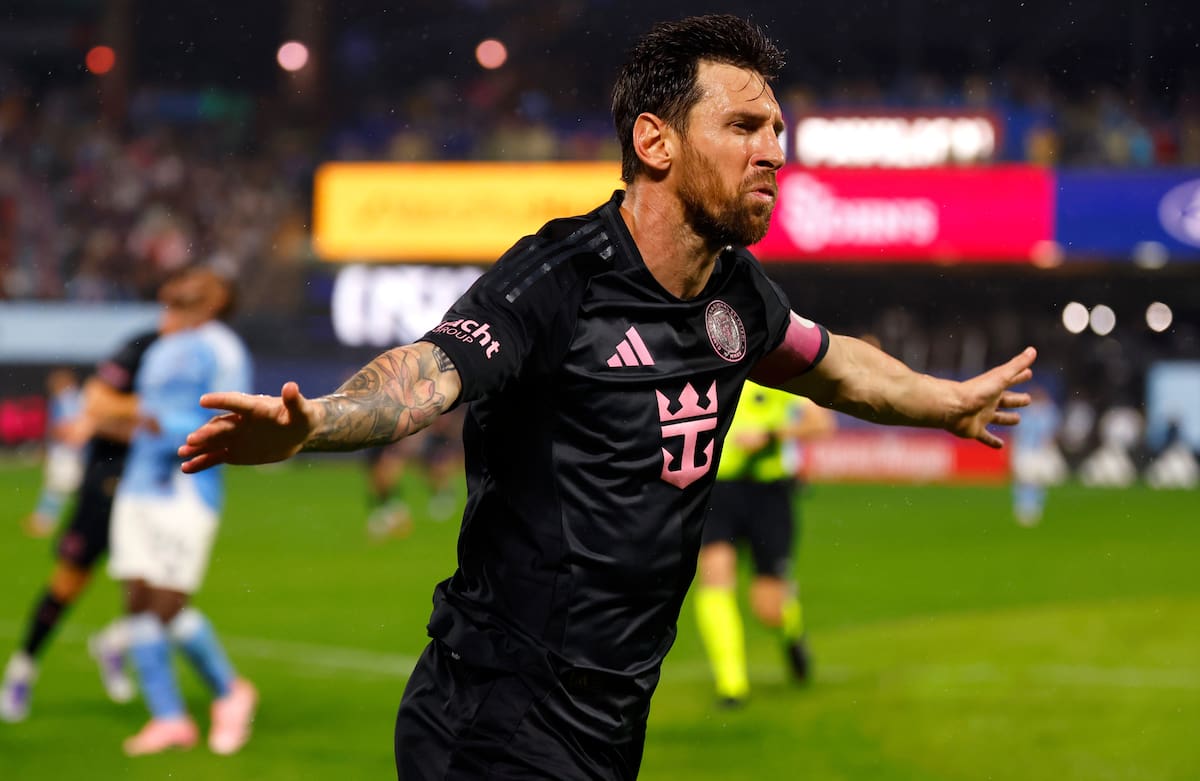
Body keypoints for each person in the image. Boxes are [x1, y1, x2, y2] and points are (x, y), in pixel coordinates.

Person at [178, 15, 1036, 779]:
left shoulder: (737, 294)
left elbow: (837, 363)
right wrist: (317, 422)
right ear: (656, 142)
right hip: (494, 714)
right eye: (743, 125)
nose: (774, 147)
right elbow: (428, 373)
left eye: (777, 126)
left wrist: (947, 402)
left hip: (611, 717)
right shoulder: (558, 278)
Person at [108, 267, 258, 756]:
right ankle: (170, 719)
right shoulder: (160, 345)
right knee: (138, 604)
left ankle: (230, 692)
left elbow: (232, 419)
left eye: (208, 282)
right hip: (137, 487)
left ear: (219, 300)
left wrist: (153, 421)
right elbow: (137, 414)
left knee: (165, 605)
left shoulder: (222, 348)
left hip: (186, 487)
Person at [1, 333, 157, 723]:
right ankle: (22, 669)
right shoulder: (145, 344)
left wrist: (122, 420)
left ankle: (114, 644)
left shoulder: (205, 353)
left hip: (156, 493)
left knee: (154, 590)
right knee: (67, 583)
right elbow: (98, 400)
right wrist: (146, 415)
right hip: (104, 489)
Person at [695, 381, 835, 707]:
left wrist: (770, 435)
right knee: (714, 577)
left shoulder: (779, 371)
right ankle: (732, 686)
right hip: (718, 490)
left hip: (767, 495)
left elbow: (822, 424)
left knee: (768, 608)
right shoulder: (711, 370)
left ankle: (792, 633)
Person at [21, 368, 86, 538]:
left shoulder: (69, 399)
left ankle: (45, 522)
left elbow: (69, 426)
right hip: (66, 451)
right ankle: (45, 520)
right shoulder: (69, 398)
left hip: (68, 452)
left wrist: (62, 435)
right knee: (60, 486)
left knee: (59, 487)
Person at [1009, 384, 1066, 526]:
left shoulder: (1040, 412)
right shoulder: (1044, 412)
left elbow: (1052, 433)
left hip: (1034, 451)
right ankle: (1026, 509)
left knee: (1033, 481)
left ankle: (1030, 509)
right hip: (1029, 451)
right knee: (1027, 480)